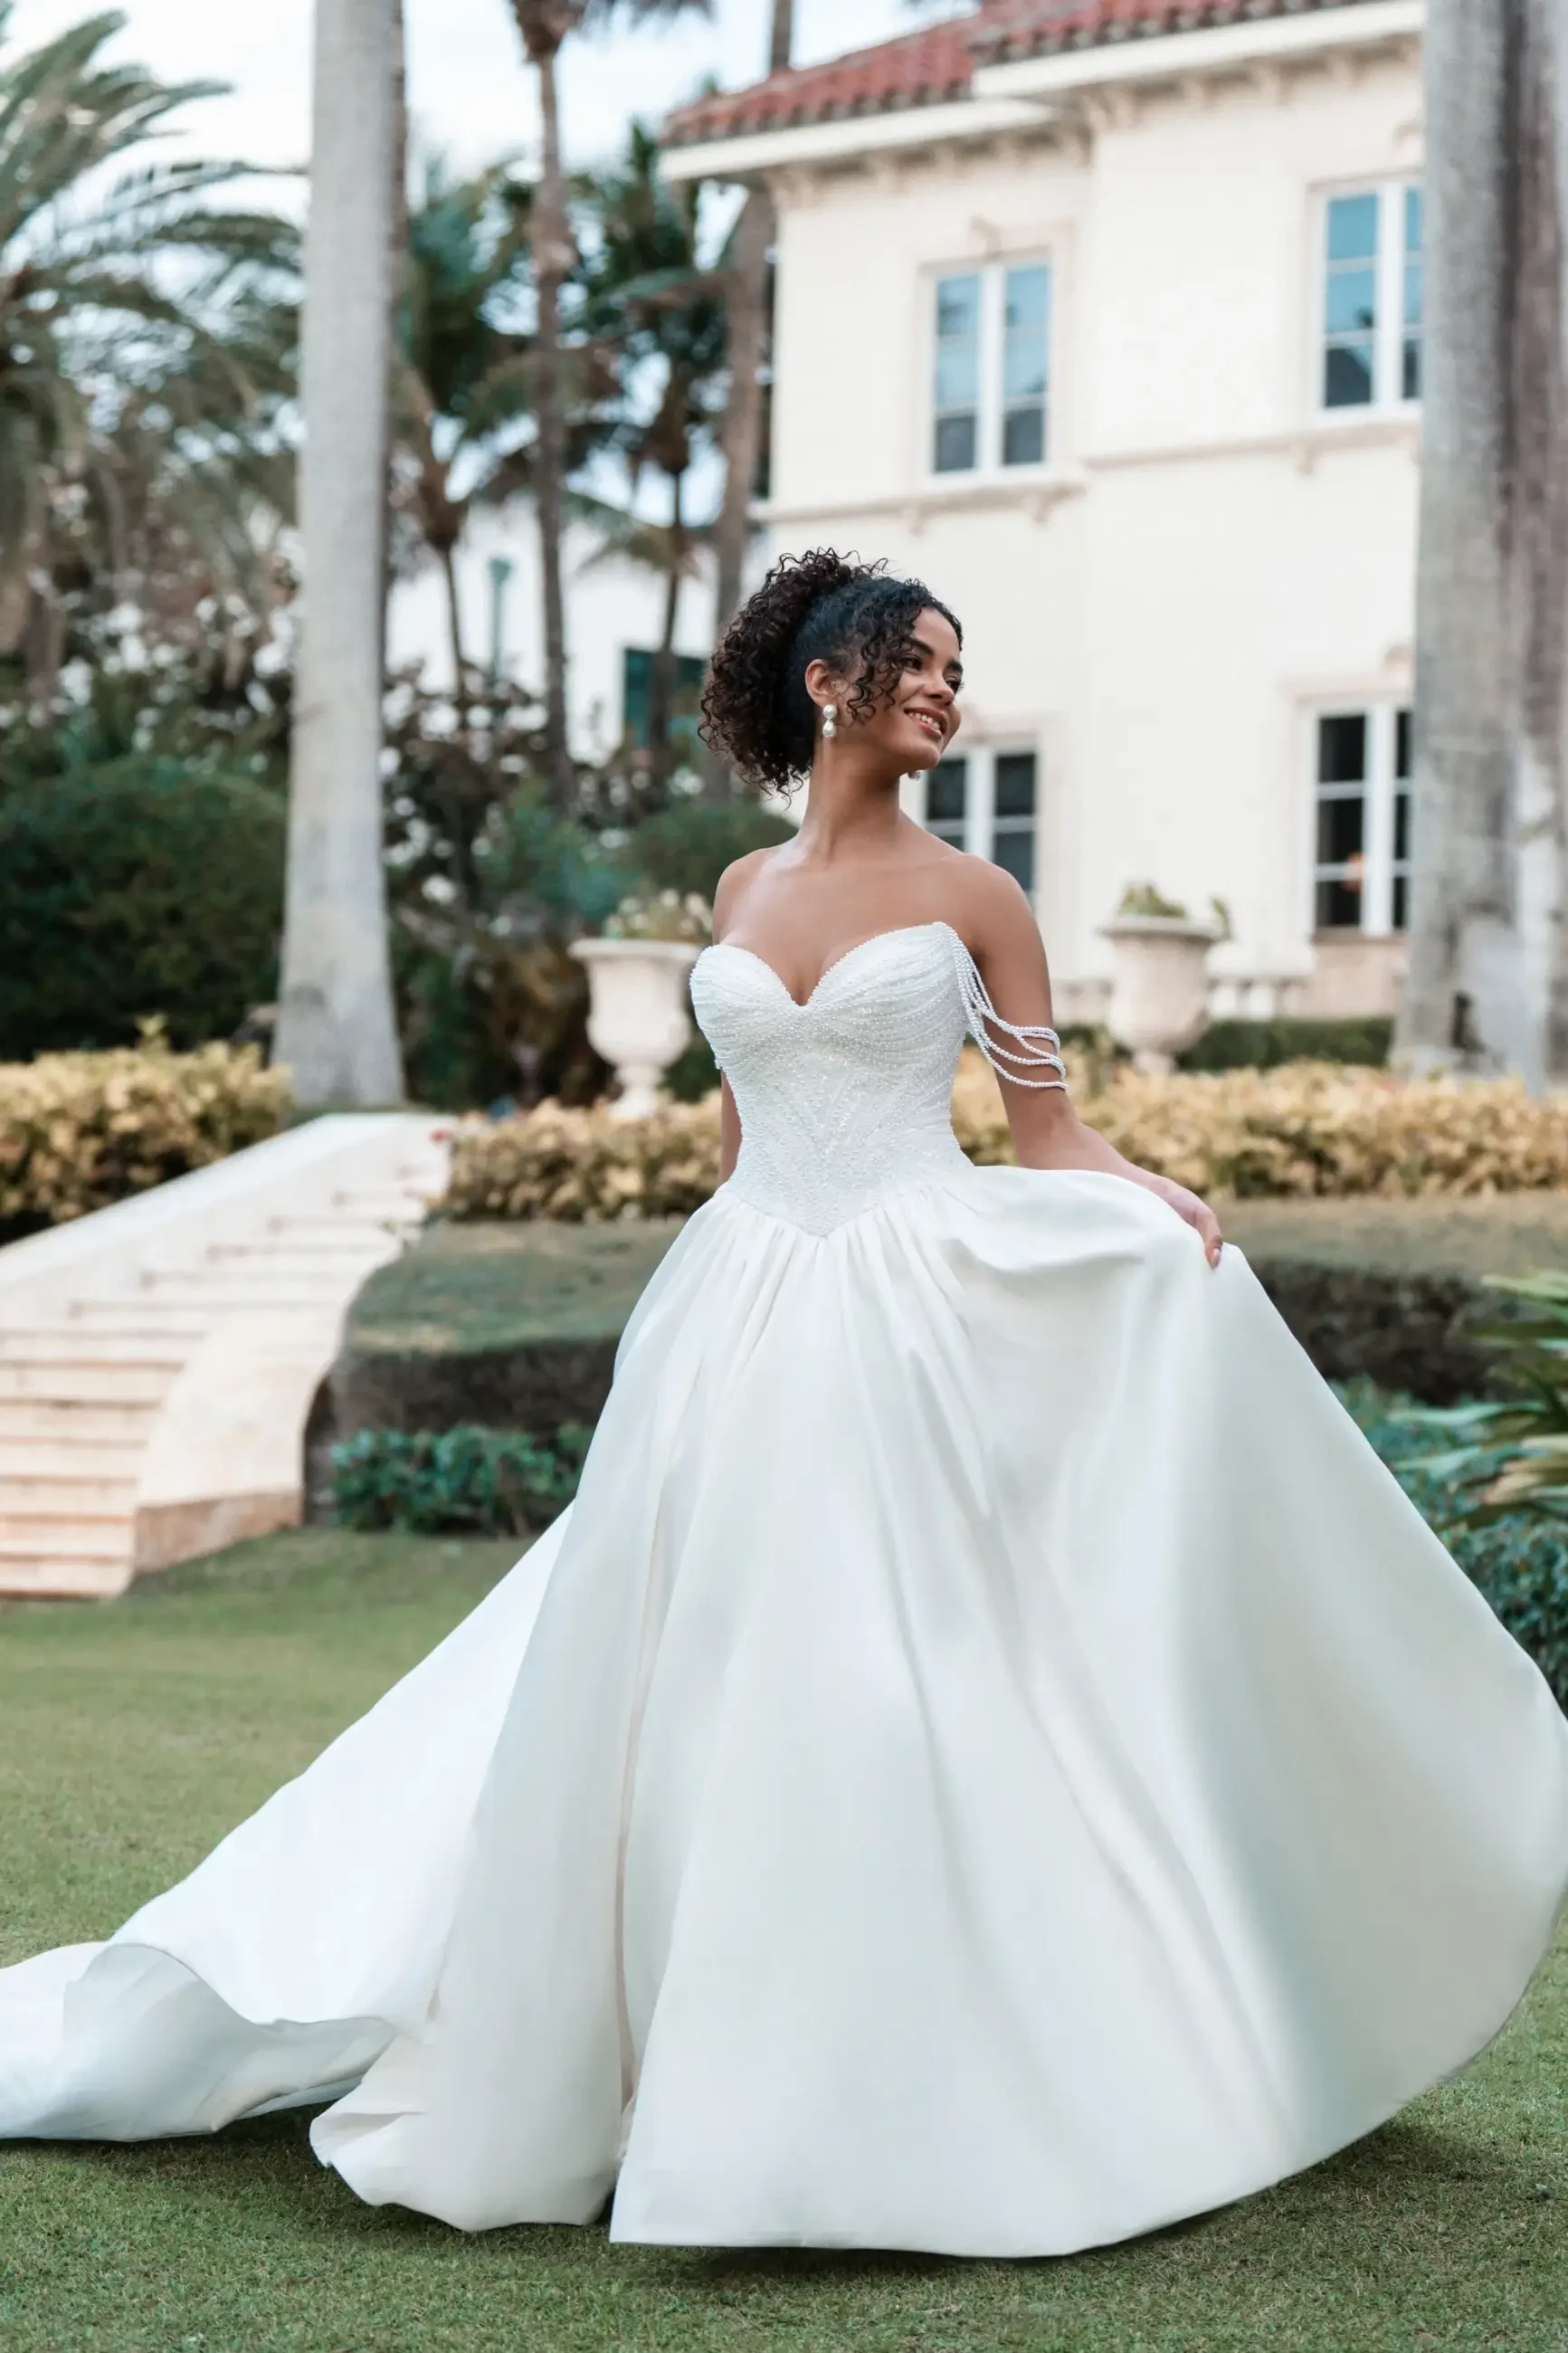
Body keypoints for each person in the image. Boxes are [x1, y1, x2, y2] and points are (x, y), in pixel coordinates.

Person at [2, 549, 1565, 2259]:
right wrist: (712, 1281)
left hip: (909, 1307)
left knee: (883, 1691)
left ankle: (890, 2089)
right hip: (736, 1315)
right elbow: (740, 1135)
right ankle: (653, 2054)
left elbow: (1045, 1136)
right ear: (830, 683)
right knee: (680, 1680)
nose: (946, 693)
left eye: (960, 672)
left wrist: (1153, 1203)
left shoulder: (981, 899)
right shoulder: (742, 891)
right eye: (920, 662)